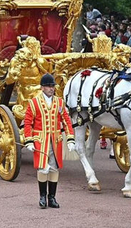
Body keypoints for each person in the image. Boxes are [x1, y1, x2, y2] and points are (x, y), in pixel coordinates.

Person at [24, 73, 76, 209]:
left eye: (52, 86)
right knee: (42, 169)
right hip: (40, 141)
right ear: (42, 88)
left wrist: (70, 138)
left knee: (53, 168)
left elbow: (66, 120)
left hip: (56, 141)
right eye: (48, 86)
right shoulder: (34, 102)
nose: (51, 89)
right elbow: (28, 123)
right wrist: (29, 140)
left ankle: (52, 197)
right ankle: (42, 197)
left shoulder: (59, 102)